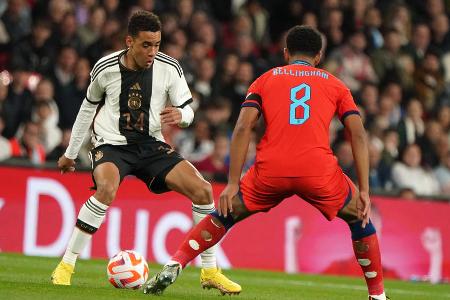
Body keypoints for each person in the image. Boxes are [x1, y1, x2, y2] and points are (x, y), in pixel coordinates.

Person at [143, 25, 389, 300]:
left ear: (286, 53)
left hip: (271, 169)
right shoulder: (335, 84)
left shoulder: (264, 80)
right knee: (360, 217)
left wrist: (233, 182)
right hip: (317, 170)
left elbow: (242, 128)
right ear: (318, 57)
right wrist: (365, 189)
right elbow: (357, 132)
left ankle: (175, 262)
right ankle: (377, 295)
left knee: (225, 214)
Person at [50, 11, 240, 295]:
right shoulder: (105, 68)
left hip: (151, 145)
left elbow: (189, 108)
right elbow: (87, 108)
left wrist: (182, 116)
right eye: (146, 45)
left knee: (202, 190)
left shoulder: (169, 67)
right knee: (106, 188)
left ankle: (210, 271)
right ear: (130, 41)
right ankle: (65, 266)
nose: (153, 52)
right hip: (111, 144)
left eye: (157, 44)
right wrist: (70, 153)